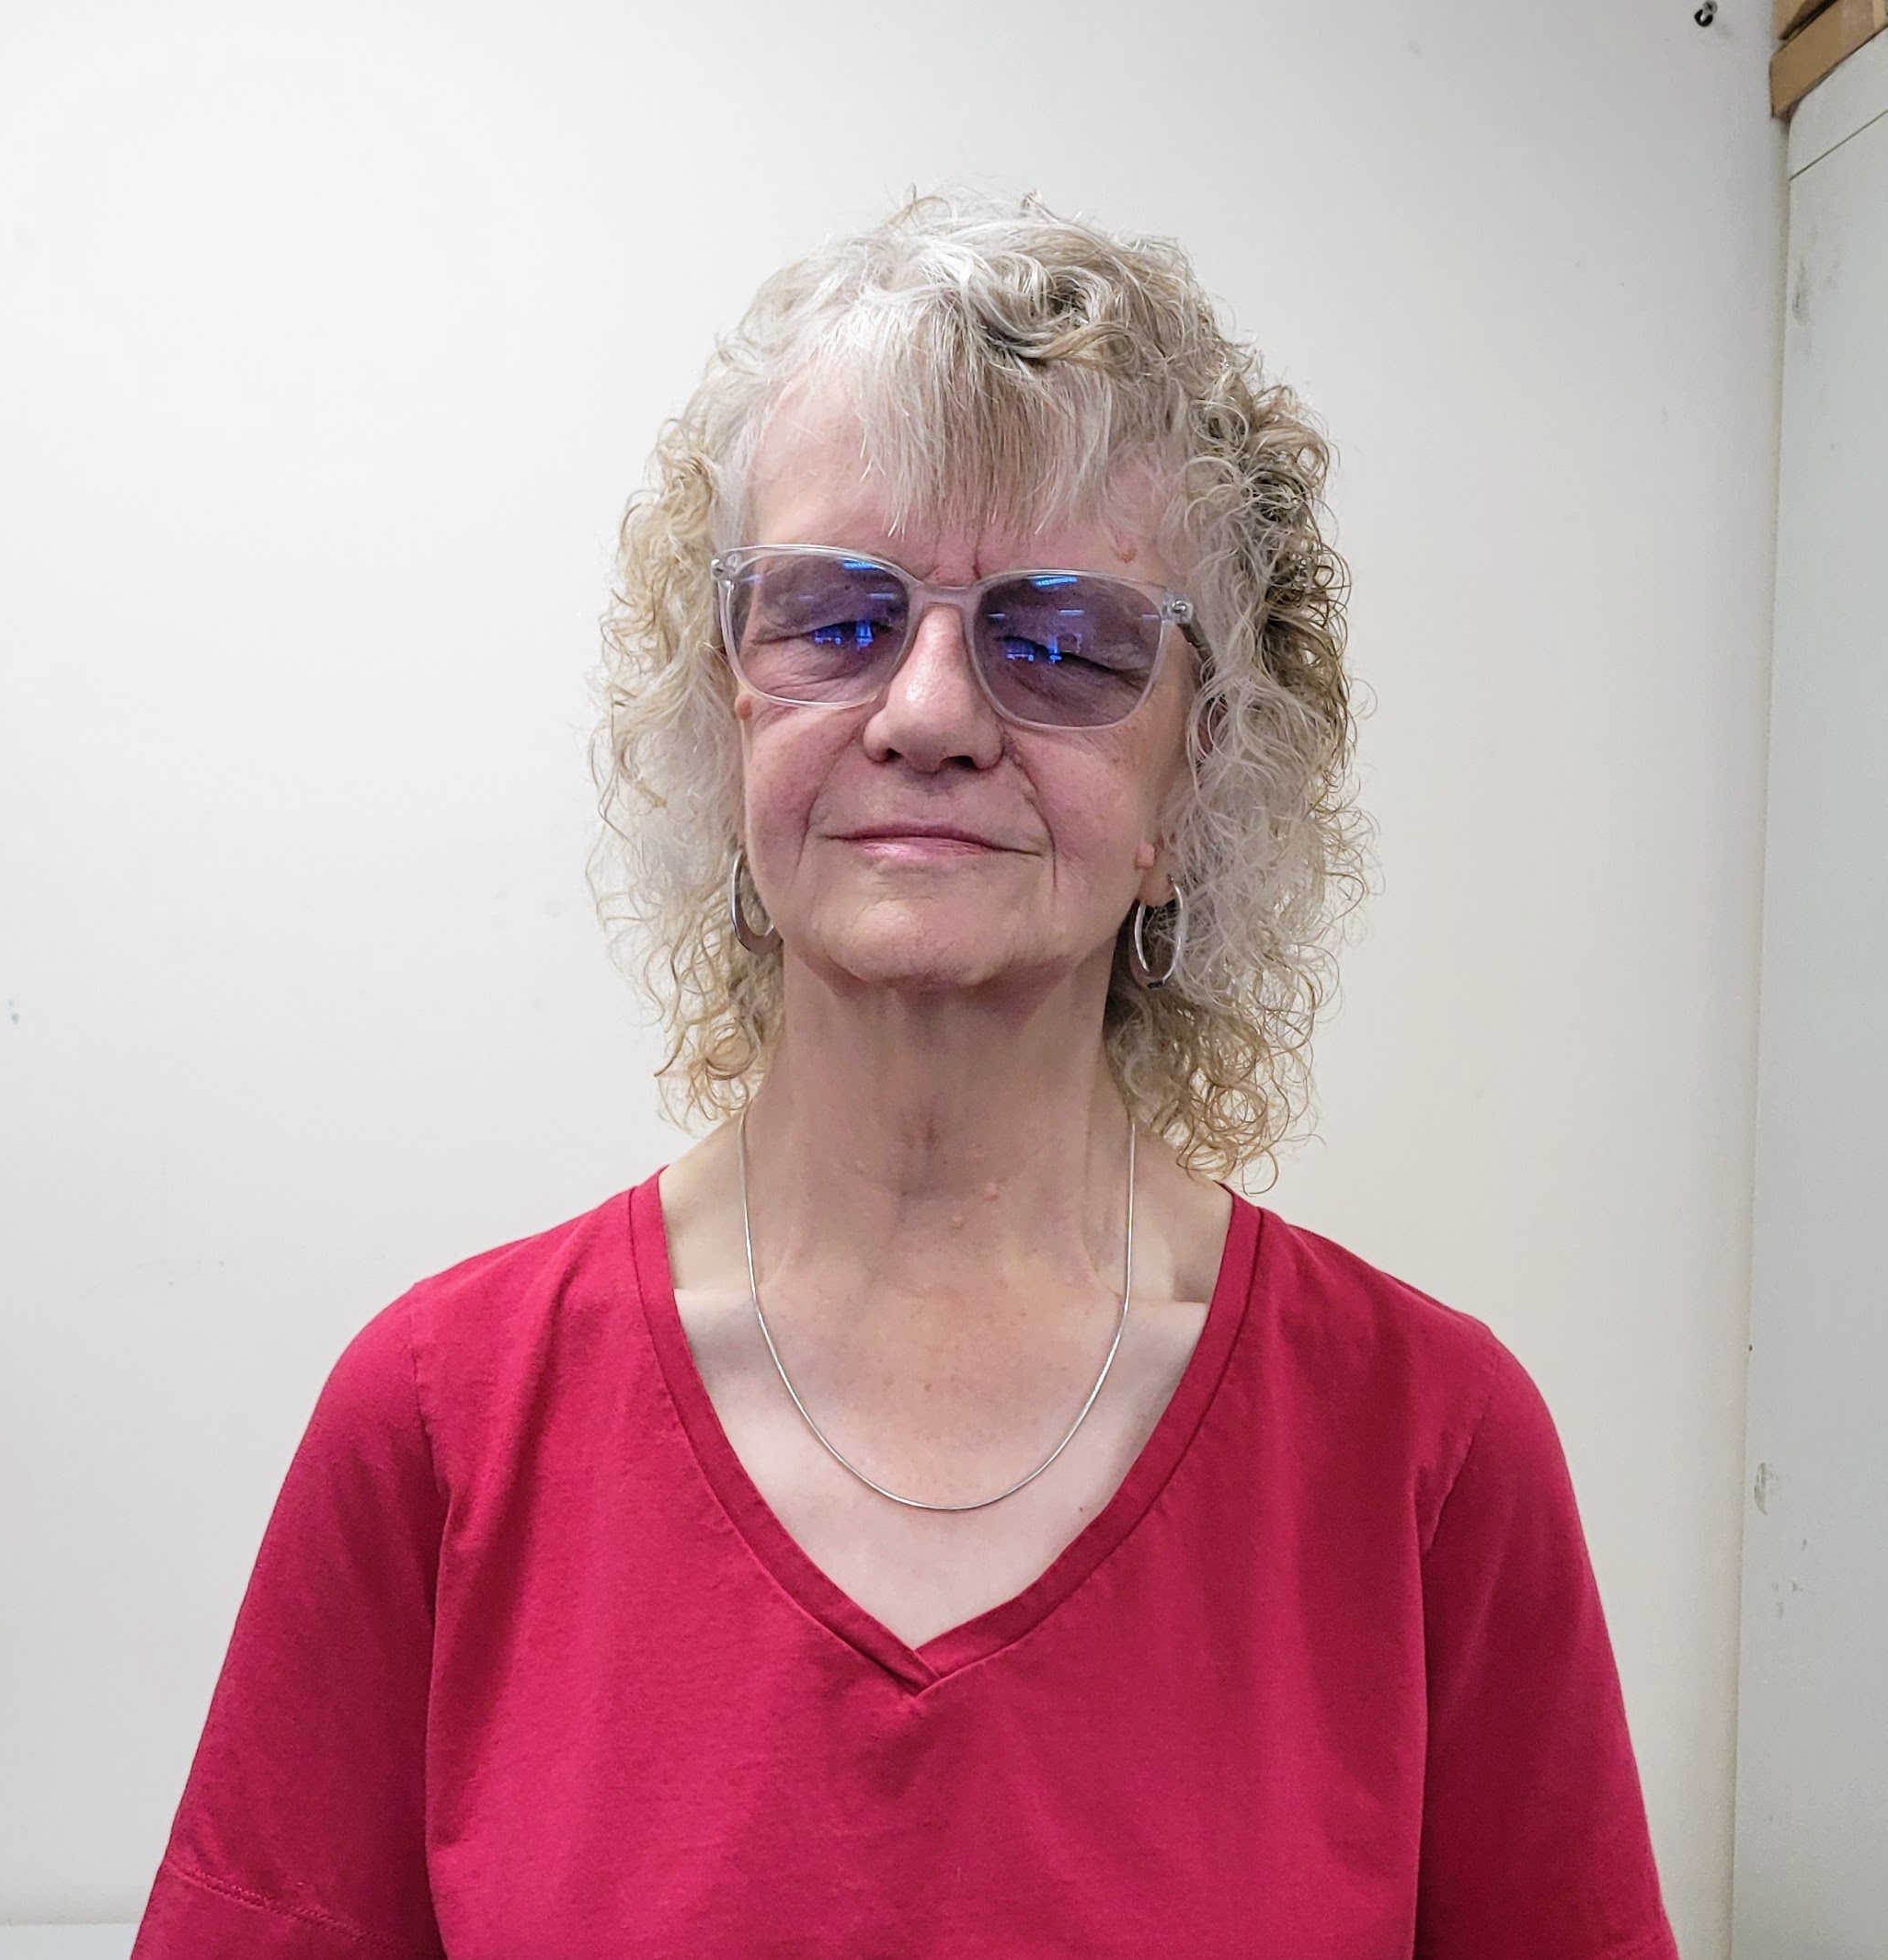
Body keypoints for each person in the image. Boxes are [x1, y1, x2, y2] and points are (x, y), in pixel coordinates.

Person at [132, 190, 1678, 1958]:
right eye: (834, 618)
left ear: (1199, 783)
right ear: (720, 724)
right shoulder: (437, 1428)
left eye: (1063, 640)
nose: (931, 710)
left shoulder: (1433, 1456)